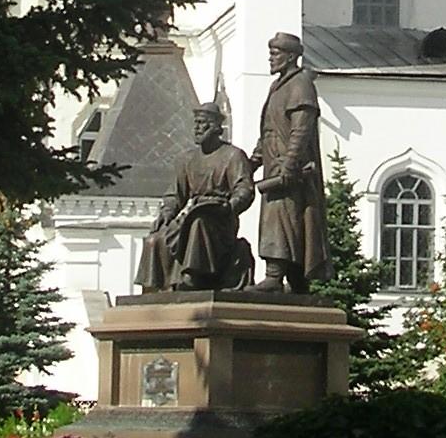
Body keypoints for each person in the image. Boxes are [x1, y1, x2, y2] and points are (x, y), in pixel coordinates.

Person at [137, 105, 256, 293]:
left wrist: (230, 206)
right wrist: (167, 212)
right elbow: (175, 194)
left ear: (216, 128)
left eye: (202, 124)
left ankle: (193, 277)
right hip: (190, 215)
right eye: (196, 124)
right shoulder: (186, 159)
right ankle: (153, 289)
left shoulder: (233, 156)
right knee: (156, 239)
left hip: (219, 219)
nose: (197, 128)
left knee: (199, 222)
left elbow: (244, 189)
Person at [251, 33, 329, 293]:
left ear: (292, 56)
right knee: (289, 220)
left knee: (284, 217)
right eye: (271, 53)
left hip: (290, 170)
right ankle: (297, 281)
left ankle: (275, 275)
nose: (271, 58)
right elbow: (269, 130)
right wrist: (253, 161)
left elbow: (301, 129)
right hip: (274, 164)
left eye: (277, 53)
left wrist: (290, 163)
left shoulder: (301, 84)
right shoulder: (278, 87)